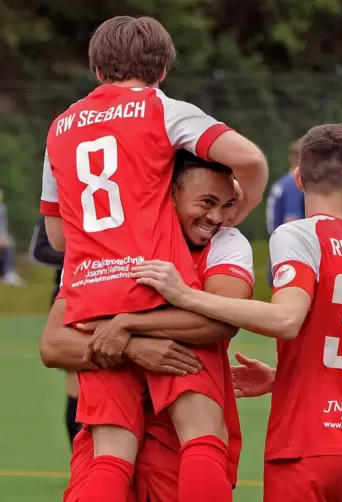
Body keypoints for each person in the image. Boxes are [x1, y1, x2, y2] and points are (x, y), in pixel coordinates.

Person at [38, 15, 267, 502]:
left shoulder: (59, 127)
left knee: (109, 454)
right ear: (162, 70)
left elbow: (58, 237)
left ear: (96, 68)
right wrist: (237, 210)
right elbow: (249, 158)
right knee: (202, 434)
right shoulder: (162, 110)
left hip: (90, 301)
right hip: (155, 286)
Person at [131, 123, 342, 502]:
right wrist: (285, 377)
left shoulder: (299, 234)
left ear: (297, 178)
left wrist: (186, 295)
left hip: (312, 443)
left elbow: (286, 319)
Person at [40, 150, 254, 502]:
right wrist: (135, 346)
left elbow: (224, 319)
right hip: (180, 392)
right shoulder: (98, 247)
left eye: (228, 204)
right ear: (168, 193)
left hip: (149, 430)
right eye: (206, 202)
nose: (218, 217)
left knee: (112, 460)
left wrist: (124, 326)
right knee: (196, 439)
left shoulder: (224, 242)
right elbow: (52, 345)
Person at [29, 216, 80, 446]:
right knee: (76, 383)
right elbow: (39, 251)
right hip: (69, 299)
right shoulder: (58, 205)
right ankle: (79, 464)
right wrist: (83, 256)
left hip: (112, 297)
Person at [265, 139, 305, 285]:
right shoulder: (296, 184)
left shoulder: (282, 182)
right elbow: (291, 222)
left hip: (276, 252)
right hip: (288, 258)